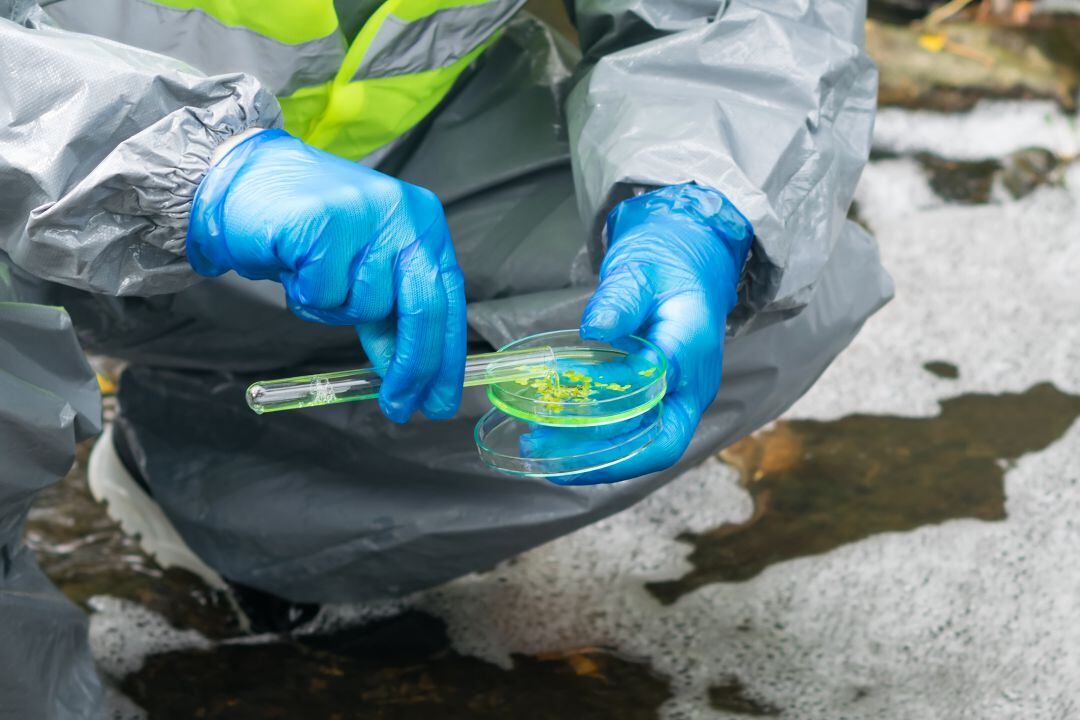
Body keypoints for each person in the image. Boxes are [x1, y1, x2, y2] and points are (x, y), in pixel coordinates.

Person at [0, 1, 892, 716]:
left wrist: (698, 202)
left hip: (380, 180)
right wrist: (176, 165)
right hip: (38, 158)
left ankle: (228, 497)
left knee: (759, 295)